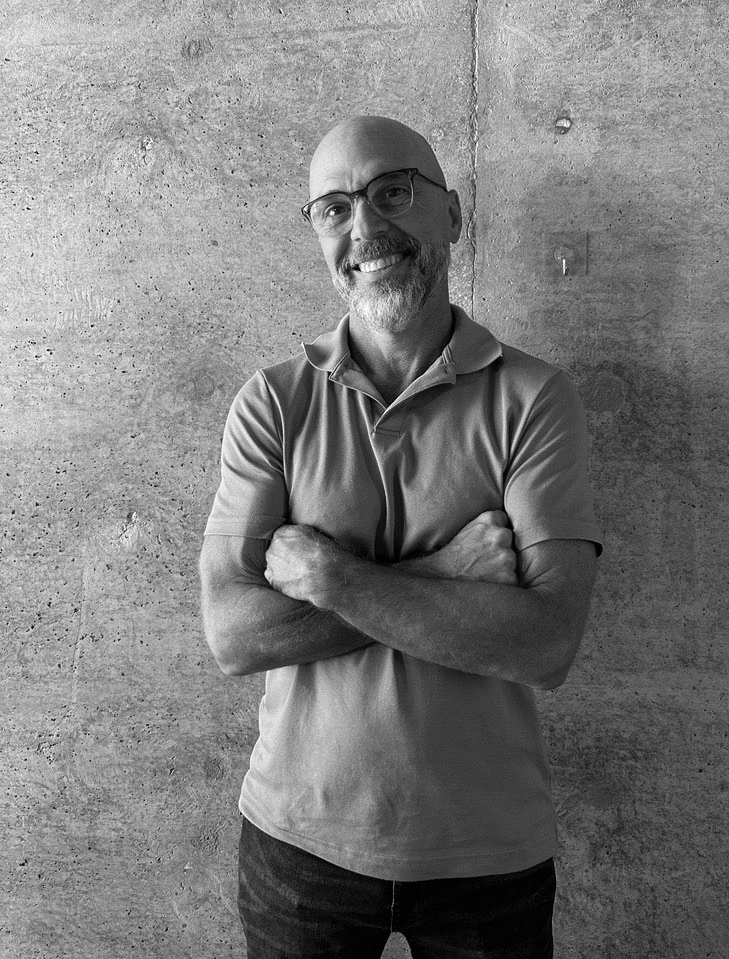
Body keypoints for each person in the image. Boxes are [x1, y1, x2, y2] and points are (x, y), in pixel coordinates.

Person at [199, 115, 602, 958]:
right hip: (298, 845)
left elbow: (547, 644)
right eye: (335, 208)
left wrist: (335, 578)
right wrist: (446, 570)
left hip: (488, 851)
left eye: (393, 193)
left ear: (451, 213)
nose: (365, 229)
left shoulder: (535, 399)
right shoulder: (273, 403)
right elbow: (235, 637)